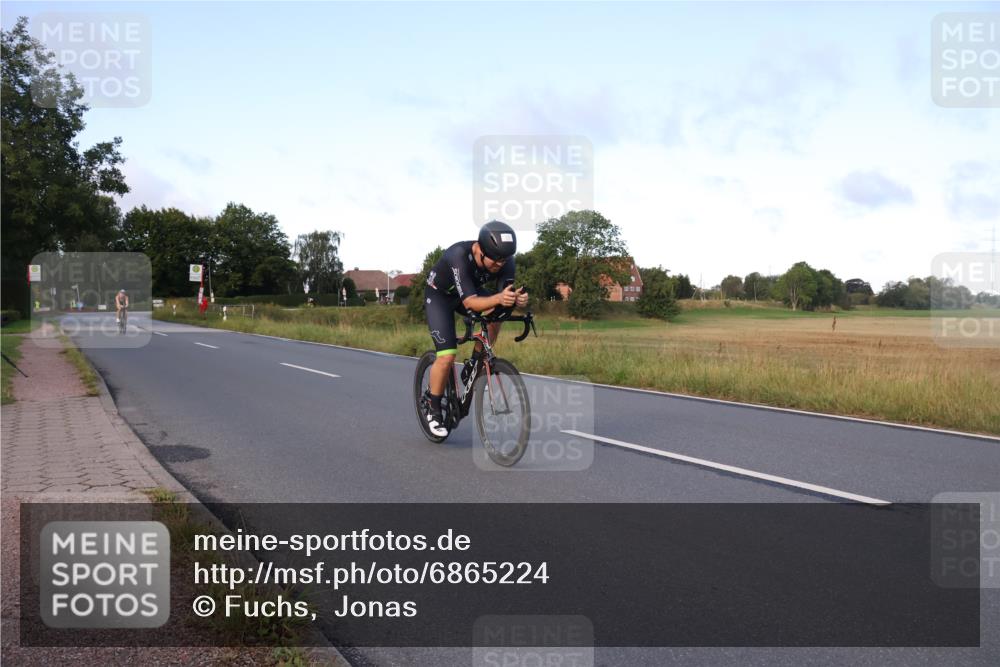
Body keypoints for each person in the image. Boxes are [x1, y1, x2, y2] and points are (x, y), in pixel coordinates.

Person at [422, 220, 528, 436]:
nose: (500, 265)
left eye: (504, 261)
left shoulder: (506, 261)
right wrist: (498, 298)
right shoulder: (458, 256)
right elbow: (470, 302)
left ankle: (473, 363)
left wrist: (517, 300)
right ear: (480, 250)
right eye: (495, 261)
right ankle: (433, 409)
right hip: (440, 296)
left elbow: (502, 298)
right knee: (447, 355)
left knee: (497, 313)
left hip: (468, 293)